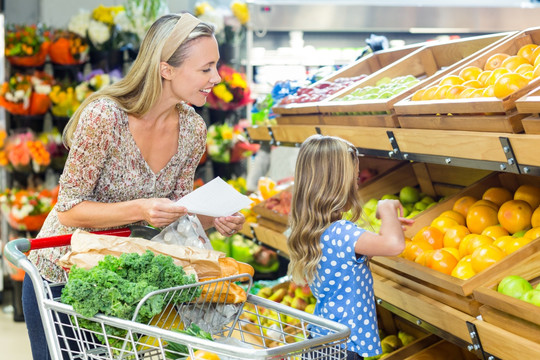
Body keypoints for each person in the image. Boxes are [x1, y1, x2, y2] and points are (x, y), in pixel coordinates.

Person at [22, 12, 245, 360]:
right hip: (63, 274)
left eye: (216, 66)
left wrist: (212, 218)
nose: (217, 77)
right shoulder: (105, 118)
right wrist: (141, 209)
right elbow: (68, 212)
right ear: (166, 69)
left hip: (128, 280)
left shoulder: (192, 129)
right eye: (206, 68)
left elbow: (173, 217)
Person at [287, 134, 413, 360]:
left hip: (324, 343)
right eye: (354, 180)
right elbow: (394, 246)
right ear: (337, 184)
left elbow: (352, 263)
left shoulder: (316, 229)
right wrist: (386, 208)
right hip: (344, 348)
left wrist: (390, 226)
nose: (357, 185)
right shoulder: (342, 231)